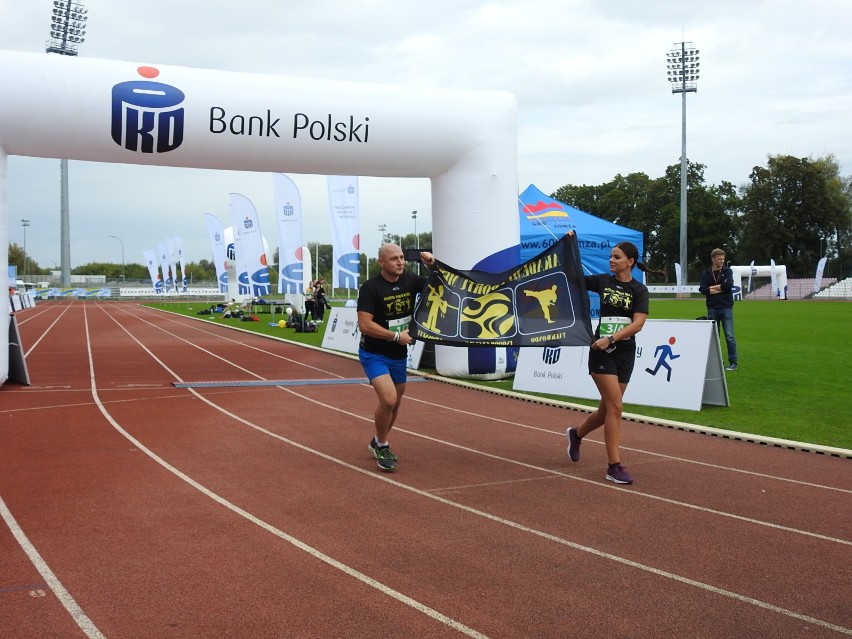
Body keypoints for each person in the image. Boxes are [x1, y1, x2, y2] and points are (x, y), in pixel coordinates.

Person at [566, 238, 653, 485]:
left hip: (624, 352)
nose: (611, 261)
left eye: (616, 257)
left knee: (607, 409)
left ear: (630, 262)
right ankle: (614, 466)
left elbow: (638, 324)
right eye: (611, 257)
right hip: (600, 351)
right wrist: (569, 246)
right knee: (615, 407)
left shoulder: (639, 290)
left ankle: (576, 434)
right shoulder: (603, 281)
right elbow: (572, 275)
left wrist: (612, 338)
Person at [357, 243, 435, 472]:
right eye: (394, 259)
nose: (400, 262)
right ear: (381, 262)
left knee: (395, 403)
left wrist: (431, 264)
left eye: (402, 257)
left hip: (398, 354)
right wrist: (395, 336)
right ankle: (383, 444)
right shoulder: (371, 288)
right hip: (374, 353)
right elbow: (364, 324)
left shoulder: (410, 281)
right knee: (389, 399)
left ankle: (376, 440)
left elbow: (439, 286)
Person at [698, 248, 738, 371]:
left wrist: (713, 288)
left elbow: (729, 285)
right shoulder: (706, 274)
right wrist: (721, 288)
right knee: (715, 336)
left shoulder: (727, 271)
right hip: (712, 308)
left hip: (726, 307)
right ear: (713, 259)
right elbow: (703, 289)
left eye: (723, 259)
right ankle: (718, 361)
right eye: (719, 259)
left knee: (729, 336)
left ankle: (733, 362)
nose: (722, 261)